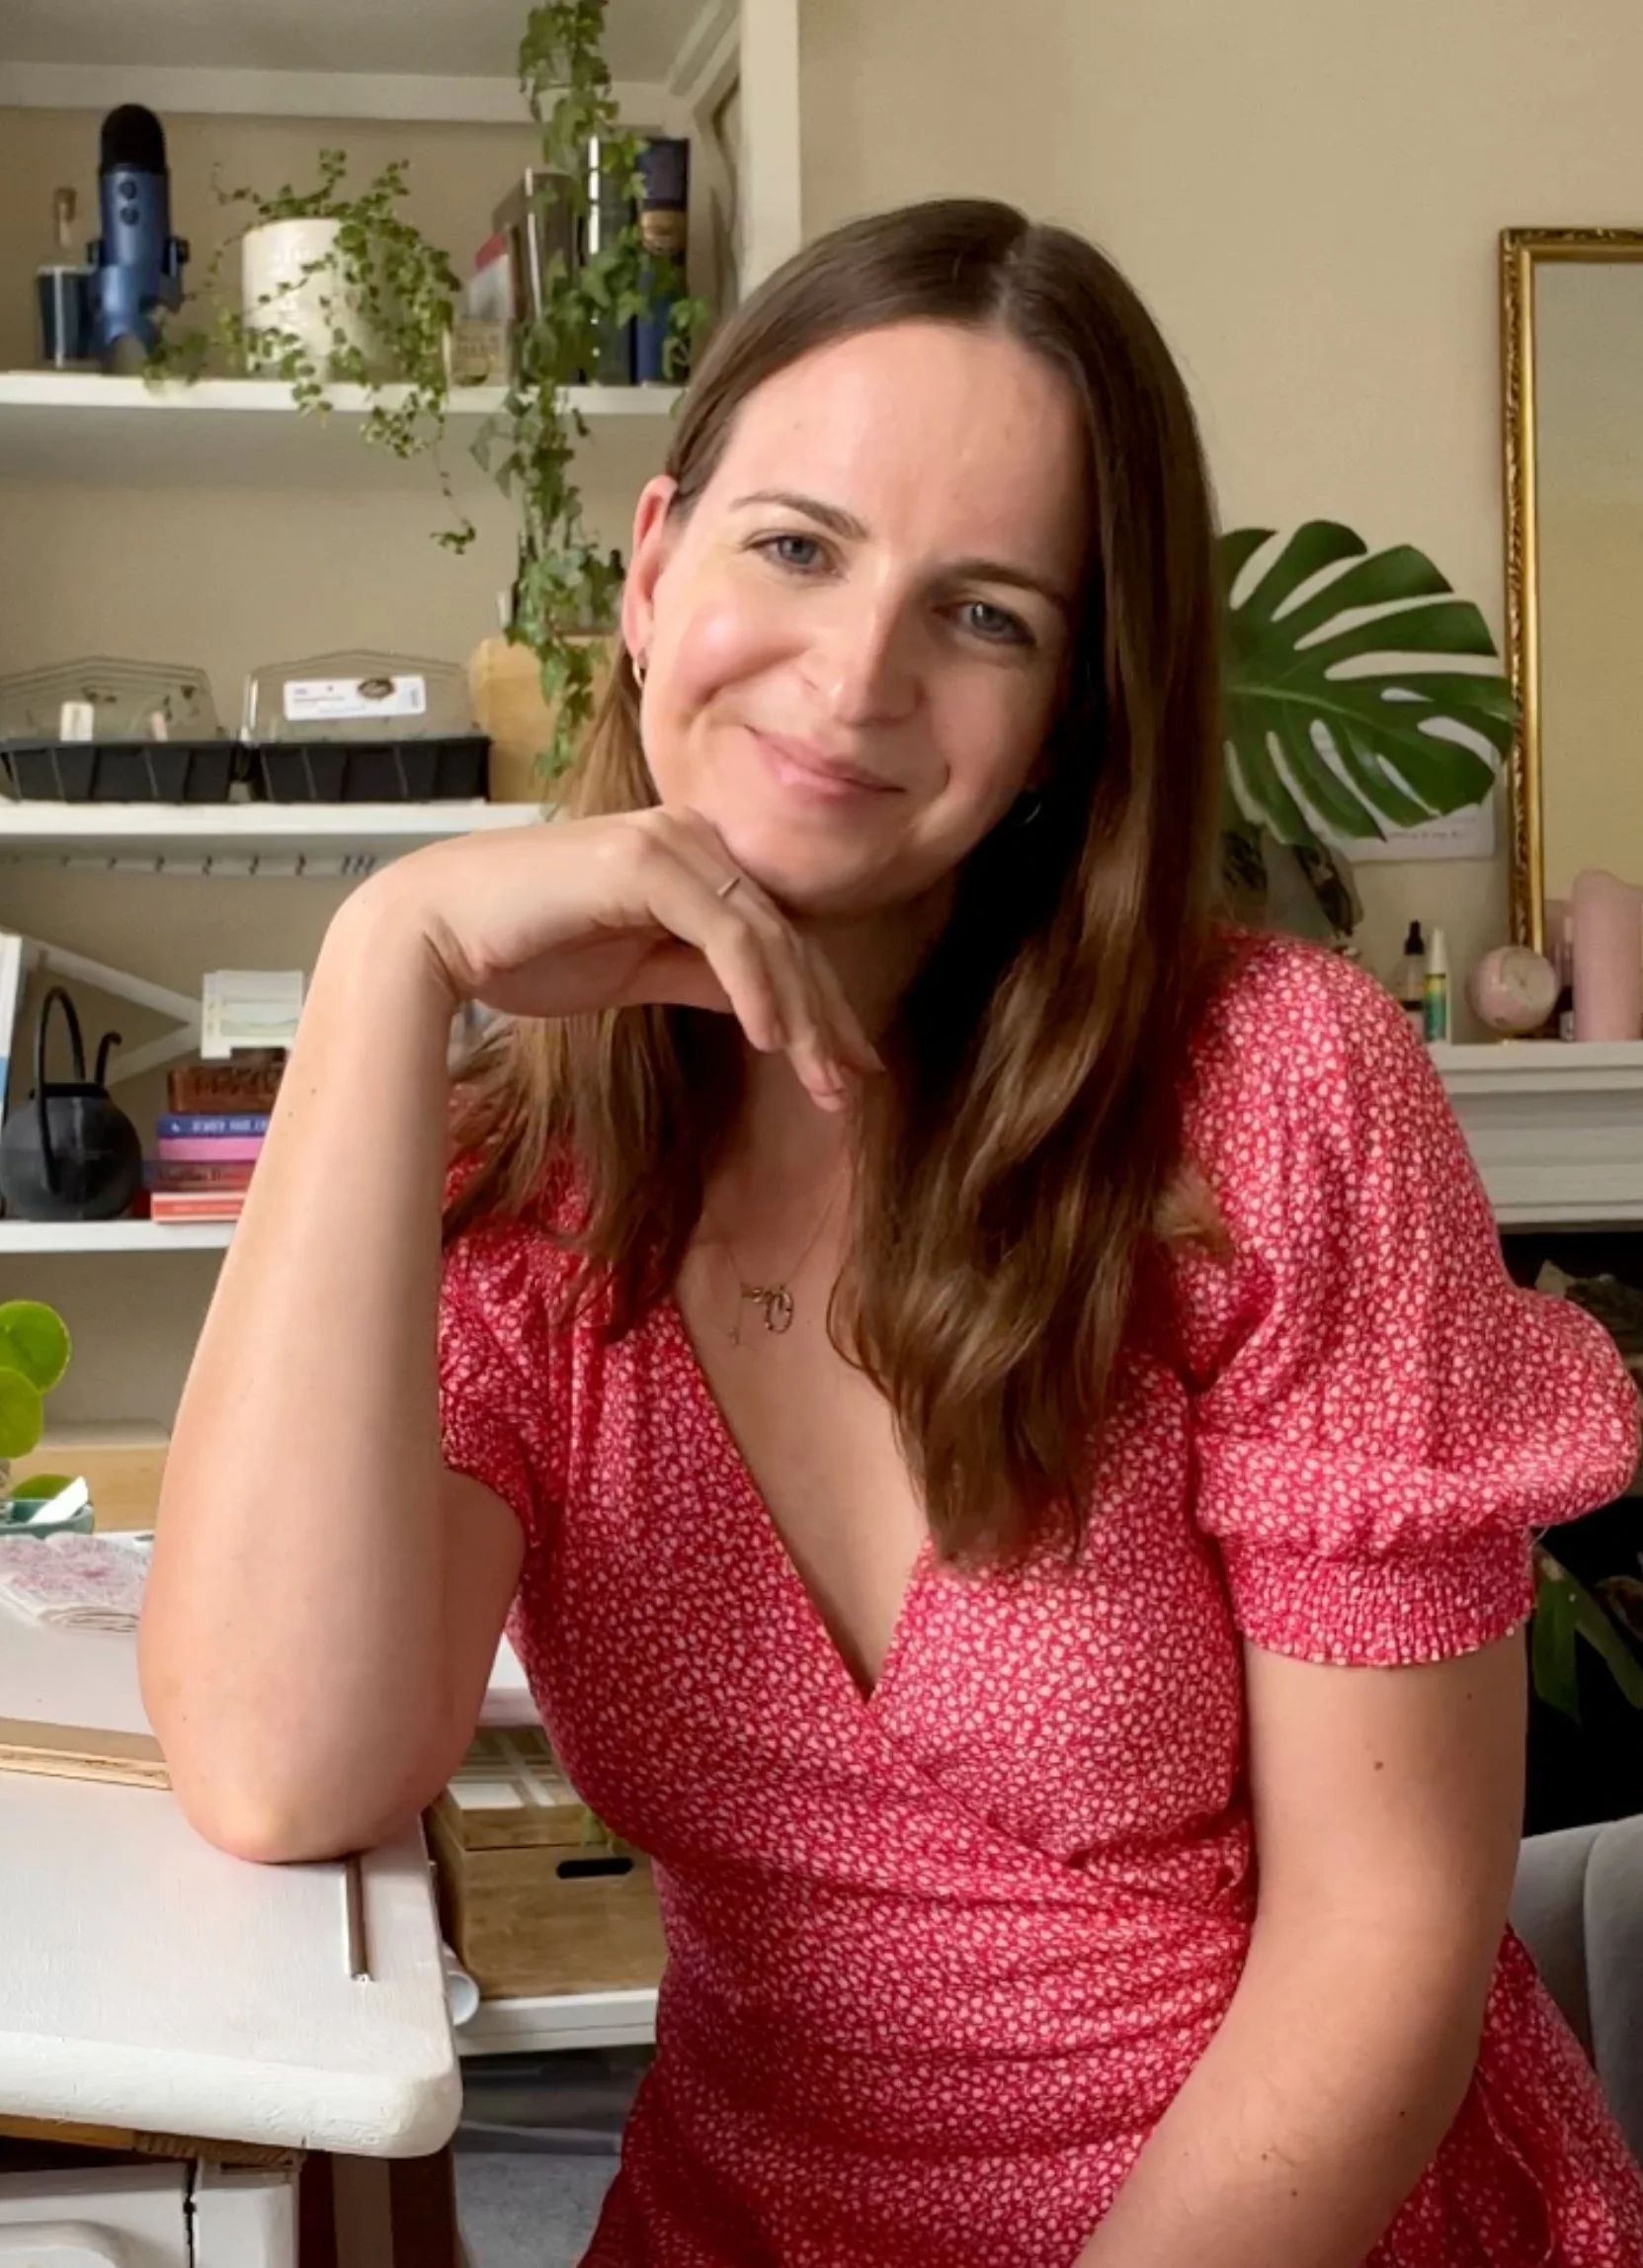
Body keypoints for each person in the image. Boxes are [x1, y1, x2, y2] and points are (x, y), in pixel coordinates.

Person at [140, 200, 1643, 2266]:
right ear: (654, 565)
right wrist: (383, 962)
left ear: (1063, 717)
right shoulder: (518, 1205)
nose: (854, 678)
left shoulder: (1274, 1088)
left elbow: (1384, 1945)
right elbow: (281, 1760)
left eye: (987, 615)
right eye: (794, 546)